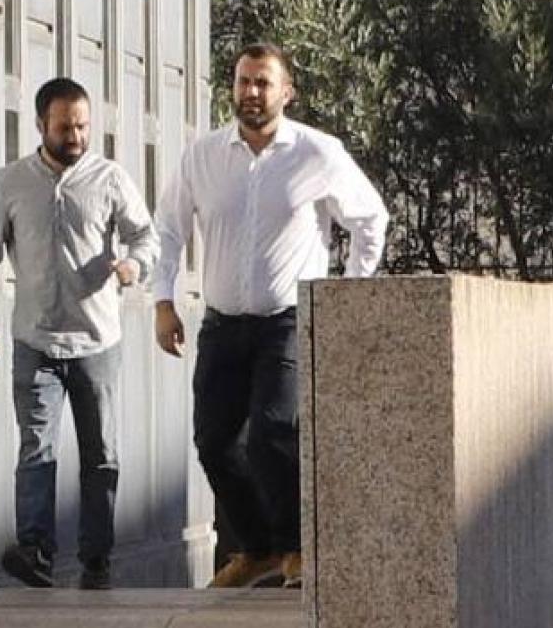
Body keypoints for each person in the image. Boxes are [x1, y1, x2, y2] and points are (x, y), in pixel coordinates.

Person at [152, 43, 388, 588]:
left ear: (287, 92)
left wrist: (345, 297)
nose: (251, 93)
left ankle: (297, 547)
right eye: (243, 82)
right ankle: (256, 548)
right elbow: (168, 230)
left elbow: (370, 219)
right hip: (221, 323)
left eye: (263, 83)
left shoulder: (317, 152)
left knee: (272, 433)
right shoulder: (203, 156)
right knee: (213, 441)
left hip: (286, 321)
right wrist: (163, 302)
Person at [0, 77, 159, 590]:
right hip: (35, 341)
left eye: (81, 126)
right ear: (39, 126)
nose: (74, 136)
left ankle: (96, 560)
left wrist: (132, 267)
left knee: (101, 456)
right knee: (36, 448)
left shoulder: (110, 178)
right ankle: (36, 551)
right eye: (64, 127)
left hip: (97, 341)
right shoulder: (10, 182)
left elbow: (146, 236)